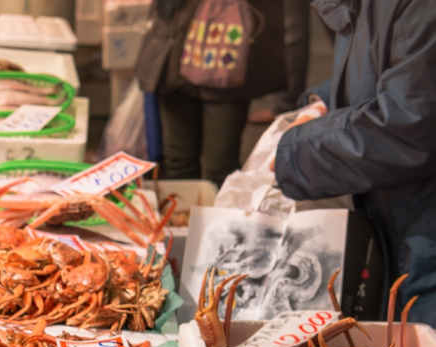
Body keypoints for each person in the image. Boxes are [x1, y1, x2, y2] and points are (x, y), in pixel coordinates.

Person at [274, 0, 436, 324]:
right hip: (399, 234)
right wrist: (325, 99)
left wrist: (296, 151)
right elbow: (389, 69)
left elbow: (407, 126)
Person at [136, 0, 304, 184]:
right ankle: (183, 210)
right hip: (173, 45)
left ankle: (217, 210)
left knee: (219, 169)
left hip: (229, 49)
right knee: (178, 165)